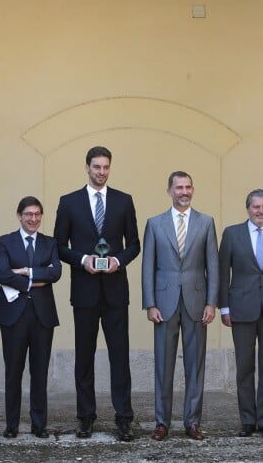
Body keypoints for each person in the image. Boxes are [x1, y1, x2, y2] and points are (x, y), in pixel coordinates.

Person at [53, 146, 140, 442]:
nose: (101, 172)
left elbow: (134, 244)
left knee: (120, 356)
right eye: (96, 167)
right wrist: (82, 260)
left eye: (106, 167)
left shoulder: (124, 201)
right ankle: (85, 417)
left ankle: (124, 418)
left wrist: (119, 260)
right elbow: (59, 245)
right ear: (87, 167)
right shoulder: (69, 202)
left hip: (116, 290)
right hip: (85, 290)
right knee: (84, 356)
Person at [141, 172, 218, 441]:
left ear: (193, 190)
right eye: (178, 187)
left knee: (195, 364)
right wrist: (149, 303)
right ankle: (162, 422)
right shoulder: (154, 224)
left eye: (187, 187)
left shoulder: (206, 223)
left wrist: (212, 302)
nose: (183, 192)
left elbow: (213, 266)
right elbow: (147, 266)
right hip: (164, 303)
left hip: (197, 302)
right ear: (169, 191)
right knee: (164, 365)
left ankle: (192, 422)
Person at [0, 196, 62, 439]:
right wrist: (35, 281)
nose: (33, 219)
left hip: (42, 316)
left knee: (39, 373)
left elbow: (56, 273)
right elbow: (1, 273)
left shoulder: (50, 242)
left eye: (37, 214)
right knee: (13, 372)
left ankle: (39, 424)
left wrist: (25, 272)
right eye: (28, 214)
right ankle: (11, 425)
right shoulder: (6, 241)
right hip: (14, 316)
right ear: (19, 215)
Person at [219, 188, 263, 437]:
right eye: (256, 207)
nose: (260, 211)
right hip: (241, 309)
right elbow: (223, 271)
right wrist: (224, 307)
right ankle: (247, 419)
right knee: (244, 366)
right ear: (248, 208)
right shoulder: (233, 234)